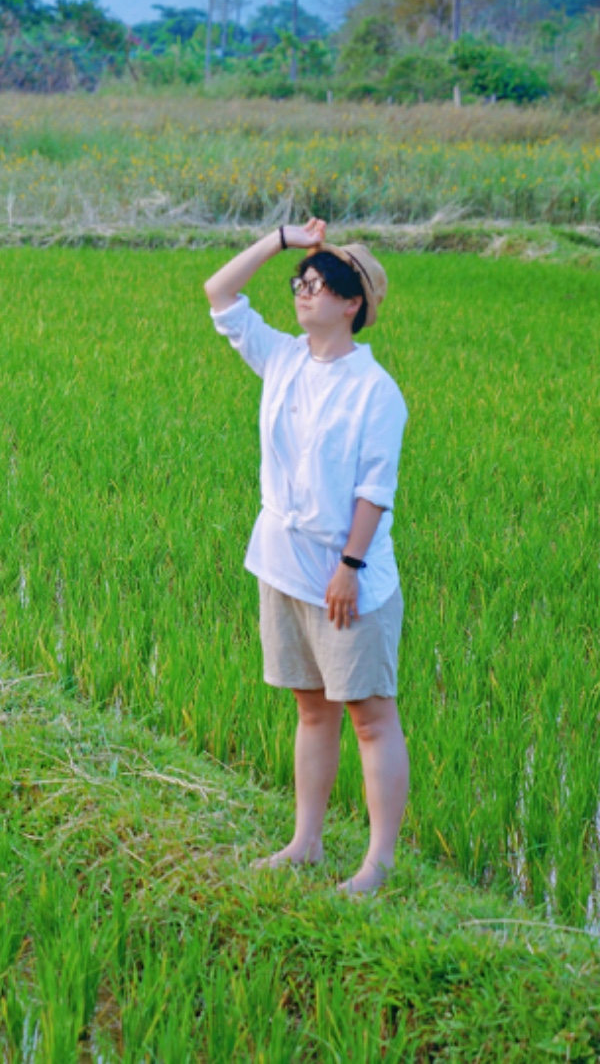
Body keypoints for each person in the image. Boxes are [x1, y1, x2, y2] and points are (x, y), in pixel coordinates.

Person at [203, 217, 408, 895]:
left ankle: (378, 862)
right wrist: (285, 238)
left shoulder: (375, 390)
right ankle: (306, 842)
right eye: (302, 282)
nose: (303, 292)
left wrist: (349, 567)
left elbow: (375, 489)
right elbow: (218, 292)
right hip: (281, 562)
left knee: (370, 716)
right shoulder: (284, 357)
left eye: (319, 286)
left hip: (346, 576)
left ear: (354, 305)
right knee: (312, 708)